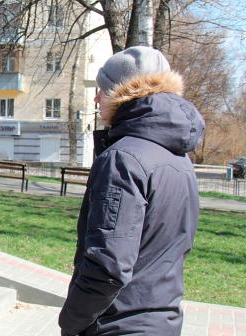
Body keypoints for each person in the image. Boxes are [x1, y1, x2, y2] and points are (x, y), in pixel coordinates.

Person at [58, 46, 205, 336]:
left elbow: (107, 267)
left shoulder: (122, 158)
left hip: (118, 325)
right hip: (163, 321)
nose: (97, 97)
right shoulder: (178, 156)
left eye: (102, 89)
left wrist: (70, 322)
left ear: (121, 94)